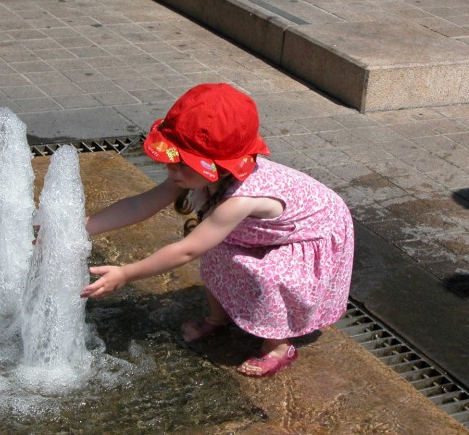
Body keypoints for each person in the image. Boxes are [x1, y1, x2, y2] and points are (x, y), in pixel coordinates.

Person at [80, 83, 354, 378]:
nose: (173, 171)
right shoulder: (190, 173)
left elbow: (187, 250)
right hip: (268, 226)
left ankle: (278, 345)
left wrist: (125, 273)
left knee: (270, 278)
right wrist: (82, 227)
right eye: (173, 159)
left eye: (183, 164)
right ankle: (218, 317)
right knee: (215, 252)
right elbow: (141, 205)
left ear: (220, 167)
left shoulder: (240, 200)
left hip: (312, 231)